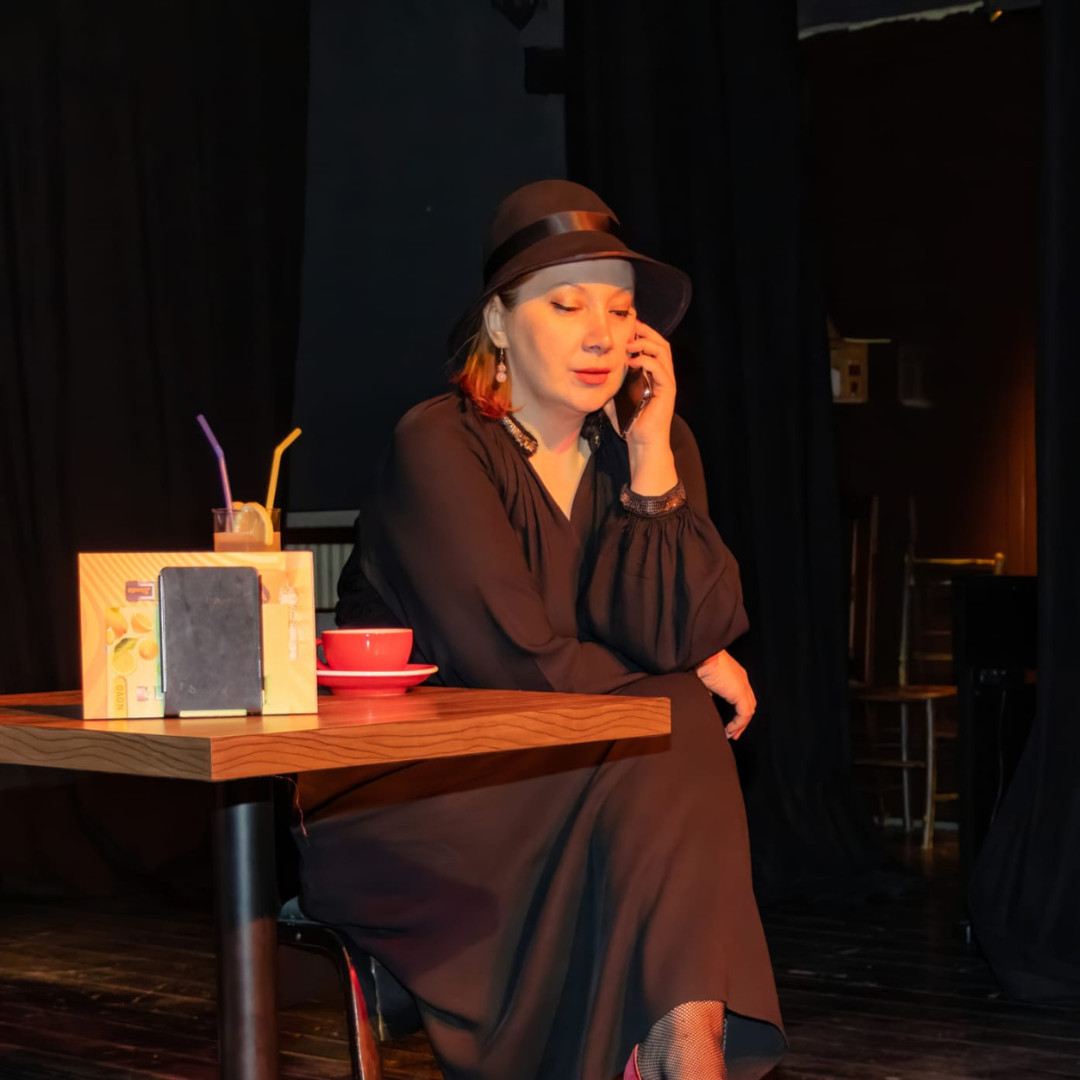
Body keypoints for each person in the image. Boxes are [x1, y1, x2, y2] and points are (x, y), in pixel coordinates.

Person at [295, 180, 786, 1080]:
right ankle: (678, 1057)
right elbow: (512, 661)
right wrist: (684, 663)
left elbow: (675, 629)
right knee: (674, 717)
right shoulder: (438, 443)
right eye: (566, 305)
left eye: (621, 310)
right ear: (498, 323)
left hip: (596, 790)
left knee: (670, 724)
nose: (601, 334)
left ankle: (681, 1052)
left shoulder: (653, 447)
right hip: (429, 800)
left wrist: (650, 456)